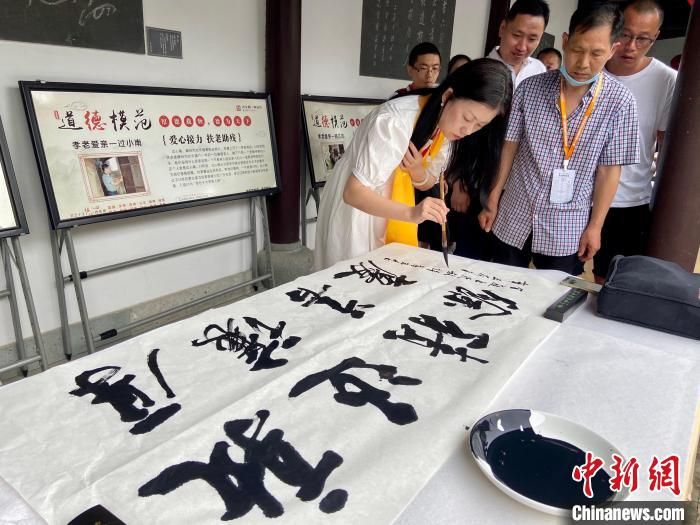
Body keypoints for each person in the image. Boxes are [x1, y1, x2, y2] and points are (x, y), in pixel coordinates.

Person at [479, 2, 640, 276]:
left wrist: (596, 226)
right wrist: (493, 197)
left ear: (612, 50)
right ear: (565, 41)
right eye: (577, 50)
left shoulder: (621, 102)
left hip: (567, 226)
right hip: (514, 211)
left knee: (556, 294)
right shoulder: (530, 89)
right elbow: (509, 148)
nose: (583, 63)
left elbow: (609, 171)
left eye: (596, 54)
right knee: (501, 283)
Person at [315, 59, 512, 270]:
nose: (468, 130)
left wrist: (418, 174)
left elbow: (429, 180)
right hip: (361, 209)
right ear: (448, 96)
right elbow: (354, 192)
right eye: (467, 117)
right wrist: (411, 213)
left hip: (395, 207)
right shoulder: (394, 121)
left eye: (479, 125)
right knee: (356, 276)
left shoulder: (445, 127)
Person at [593, 0, 677, 283]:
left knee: (613, 281)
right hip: (575, 196)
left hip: (627, 200)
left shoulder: (666, 80)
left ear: (656, 36)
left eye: (643, 39)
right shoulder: (590, 68)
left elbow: (665, 147)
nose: (630, 46)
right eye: (625, 34)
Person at [487, 0, 549, 90]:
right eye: (517, 35)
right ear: (502, 28)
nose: (522, 47)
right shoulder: (480, 71)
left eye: (532, 39)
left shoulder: (539, 70)